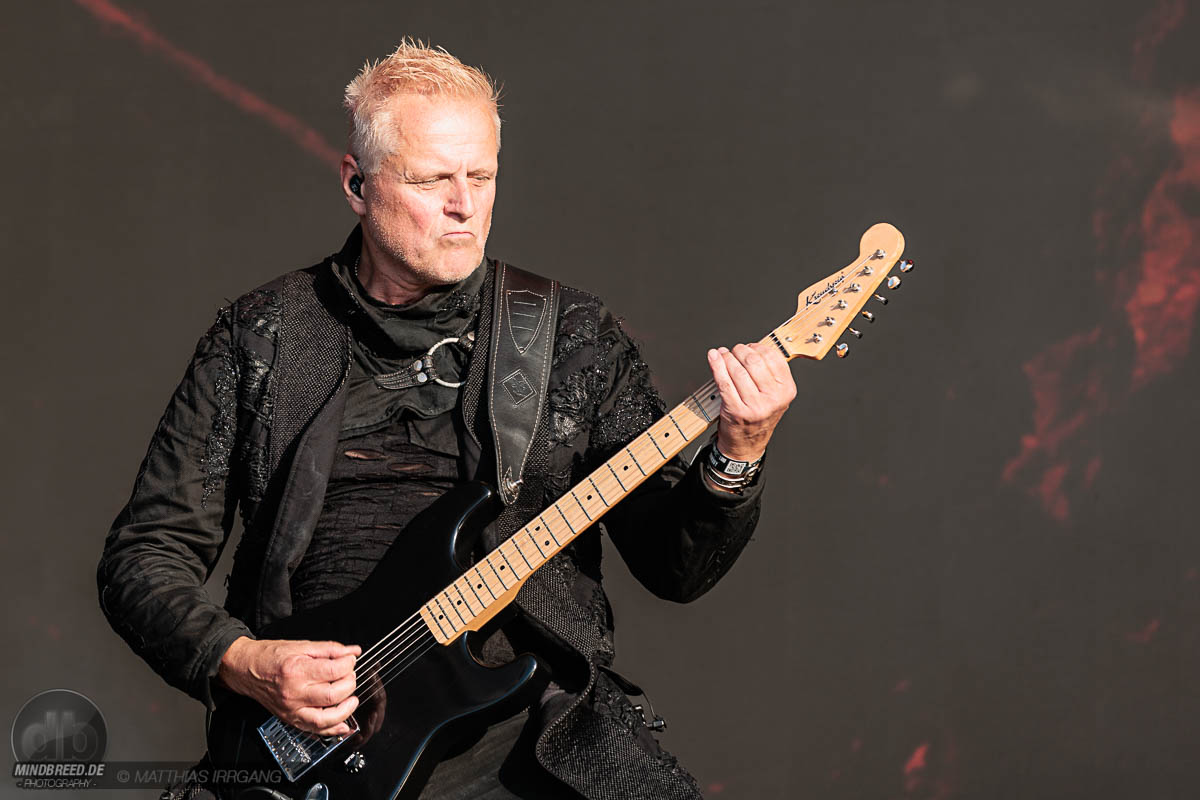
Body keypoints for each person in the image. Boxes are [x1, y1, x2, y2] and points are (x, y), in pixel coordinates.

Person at [97, 40, 796, 799]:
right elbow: (146, 555)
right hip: (309, 748)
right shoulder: (263, 335)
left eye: (482, 176)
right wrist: (244, 661)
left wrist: (738, 452)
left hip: (531, 738)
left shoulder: (571, 337)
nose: (465, 204)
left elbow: (675, 568)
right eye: (431, 179)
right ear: (357, 183)